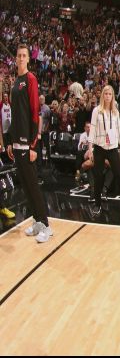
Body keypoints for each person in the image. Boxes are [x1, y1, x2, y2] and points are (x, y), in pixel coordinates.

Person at [6, 45, 52, 243]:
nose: (22, 58)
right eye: (19, 55)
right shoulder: (15, 82)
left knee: (33, 186)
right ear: (15, 59)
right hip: (16, 143)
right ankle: (37, 222)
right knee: (25, 186)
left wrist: (34, 145)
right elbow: (14, 115)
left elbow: (35, 112)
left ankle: (46, 226)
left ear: (28, 59)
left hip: (28, 144)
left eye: (25, 55)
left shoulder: (31, 79)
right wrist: (10, 142)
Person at [85, 85, 120, 209]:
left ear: (112, 96)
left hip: (112, 148)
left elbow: (119, 131)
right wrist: (90, 149)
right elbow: (93, 130)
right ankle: (97, 204)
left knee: (118, 175)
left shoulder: (115, 111)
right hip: (99, 148)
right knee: (98, 176)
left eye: (109, 94)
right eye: (105, 94)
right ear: (102, 96)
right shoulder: (96, 110)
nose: (107, 96)